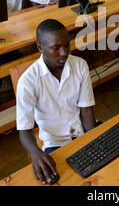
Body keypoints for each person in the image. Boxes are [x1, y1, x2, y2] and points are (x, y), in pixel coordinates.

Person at [17, 19, 97, 184]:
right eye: (56, 48)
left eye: (67, 45)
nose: (64, 53)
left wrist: (92, 140)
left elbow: (86, 111)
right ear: (40, 47)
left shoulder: (79, 65)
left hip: (81, 133)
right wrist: (36, 153)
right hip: (54, 143)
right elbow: (24, 130)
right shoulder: (28, 81)